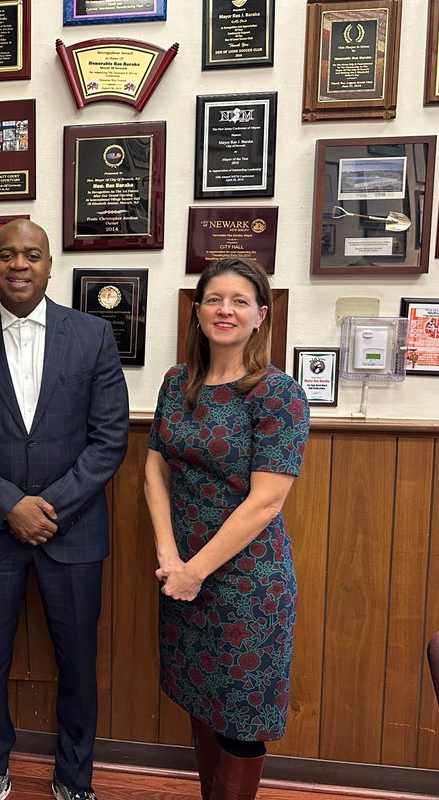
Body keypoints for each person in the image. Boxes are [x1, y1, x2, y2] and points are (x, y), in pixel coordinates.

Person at [0, 219, 129, 800]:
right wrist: (8, 505)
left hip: (73, 533)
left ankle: (74, 778)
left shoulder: (92, 334)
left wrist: (49, 508)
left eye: (33, 255)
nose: (19, 265)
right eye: (7, 256)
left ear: (50, 265)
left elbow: (110, 438)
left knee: (77, 666)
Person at [143, 257, 309, 800]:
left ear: (261, 316)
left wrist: (195, 570)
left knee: (240, 715)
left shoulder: (276, 395)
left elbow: (266, 502)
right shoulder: (176, 382)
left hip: (246, 584)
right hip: (182, 574)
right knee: (199, 698)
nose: (225, 310)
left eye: (240, 301)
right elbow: (154, 466)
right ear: (197, 311)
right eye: (214, 299)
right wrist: (171, 558)